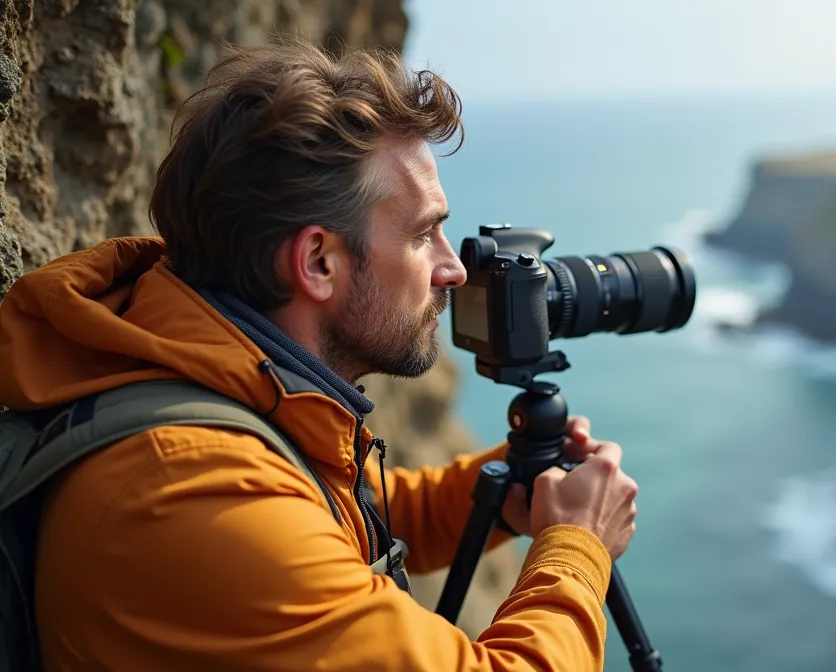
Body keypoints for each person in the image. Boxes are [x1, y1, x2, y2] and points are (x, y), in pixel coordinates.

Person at [0, 37, 639, 671]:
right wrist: (577, 545)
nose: (452, 269)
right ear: (318, 262)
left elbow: (340, 520)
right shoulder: (197, 490)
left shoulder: (211, 377)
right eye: (423, 234)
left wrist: (497, 491)